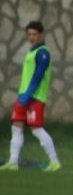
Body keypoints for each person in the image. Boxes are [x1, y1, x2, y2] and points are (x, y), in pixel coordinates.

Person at [1, 21, 61, 172]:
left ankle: (54, 161)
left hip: (35, 97)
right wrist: (23, 94)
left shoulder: (43, 53)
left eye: (34, 34)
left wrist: (28, 94)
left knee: (36, 129)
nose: (31, 37)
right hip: (23, 95)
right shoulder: (32, 51)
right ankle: (13, 162)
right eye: (29, 34)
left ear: (41, 34)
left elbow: (38, 75)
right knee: (16, 126)